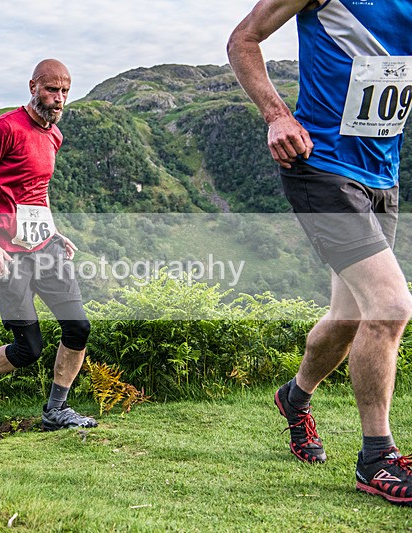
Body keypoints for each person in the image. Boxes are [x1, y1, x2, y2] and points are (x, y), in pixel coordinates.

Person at [228, 0, 412, 505]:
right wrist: (276, 115)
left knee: (349, 318)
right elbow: (243, 39)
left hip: (383, 176)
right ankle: (377, 457)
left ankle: (295, 396)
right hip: (320, 165)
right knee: (391, 306)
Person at [0, 59, 97, 431]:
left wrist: (53, 230)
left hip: (44, 247)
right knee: (28, 349)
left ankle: (56, 411)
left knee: (78, 327)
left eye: (65, 91)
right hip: (6, 254)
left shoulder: (54, 136)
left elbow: (36, 191)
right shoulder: (5, 129)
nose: (59, 98)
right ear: (33, 86)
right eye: (52, 89)